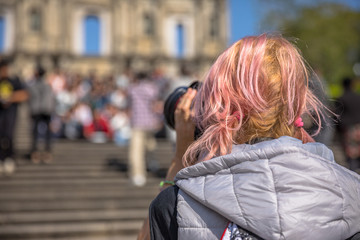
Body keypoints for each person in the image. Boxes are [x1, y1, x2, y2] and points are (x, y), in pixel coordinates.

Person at [141, 34, 360, 240]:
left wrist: (181, 157)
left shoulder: (176, 205)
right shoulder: (353, 193)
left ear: (219, 104)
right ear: (298, 103)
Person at [128, 72, 161, 187]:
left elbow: (129, 105)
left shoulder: (133, 89)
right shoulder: (153, 89)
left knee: (136, 150)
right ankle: (152, 161)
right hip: (150, 122)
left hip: (137, 122)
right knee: (150, 143)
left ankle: (138, 174)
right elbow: (155, 105)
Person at [0, 58, 28, 175]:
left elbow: (24, 95)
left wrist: (9, 98)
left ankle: (9, 158)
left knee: (9, 136)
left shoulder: (14, 81)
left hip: (10, 113)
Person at [28, 66, 55, 163]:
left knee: (35, 131)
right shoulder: (48, 85)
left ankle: (35, 152)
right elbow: (51, 99)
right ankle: (46, 152)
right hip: (45, 110)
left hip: (37, 110)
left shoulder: (33, 85)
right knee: (46, 132)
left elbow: (31, 98)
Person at [336, 77, 360, 172]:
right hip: (358, 126)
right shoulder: (358, 97)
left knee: (350, 151)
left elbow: (337, 115)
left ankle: (353, 171)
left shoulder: (341, 98)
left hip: (348, 128)